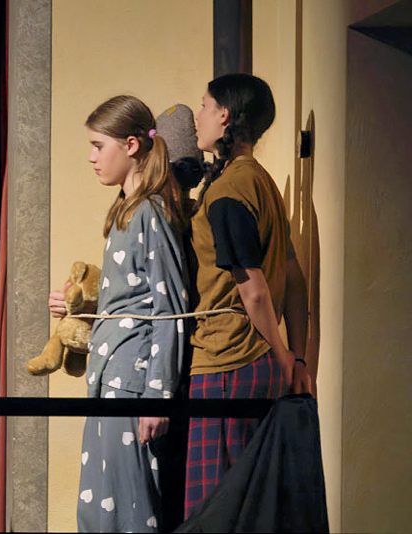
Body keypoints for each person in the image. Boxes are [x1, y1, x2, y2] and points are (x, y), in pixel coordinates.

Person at [49, 95, 190, 533]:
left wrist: (157, 398)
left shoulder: (151, 211)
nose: (92, 158)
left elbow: (170, 310)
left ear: (131, 145)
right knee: (101, 506)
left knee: (129, 508)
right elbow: (132, 302)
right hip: (110, 378)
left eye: (99, 146)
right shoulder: (127, 211)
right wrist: (85, 313)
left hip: (132, 384)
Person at [184, 73, 311, 519]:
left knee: (217, 511)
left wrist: (284, 356)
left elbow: (253, 289)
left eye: (204, 105)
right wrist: (295, 356)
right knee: (251, 510)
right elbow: (294, 278)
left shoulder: (229, 190)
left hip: (227, 360)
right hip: (256, 364)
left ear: (224, 114)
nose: (197, 116)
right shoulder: (262, 182)